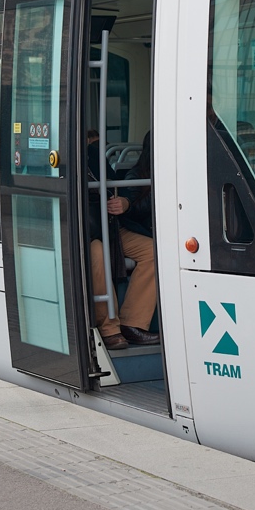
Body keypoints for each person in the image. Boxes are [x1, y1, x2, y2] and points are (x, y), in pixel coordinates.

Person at [86, 131, 158, 351]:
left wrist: (124, 202)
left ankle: (132, 323)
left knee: (153, 252)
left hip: (109, 226)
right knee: (97, 254)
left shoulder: (92, 156)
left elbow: (115, 186)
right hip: (86, 233)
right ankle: (109, 329)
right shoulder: (53, 162)